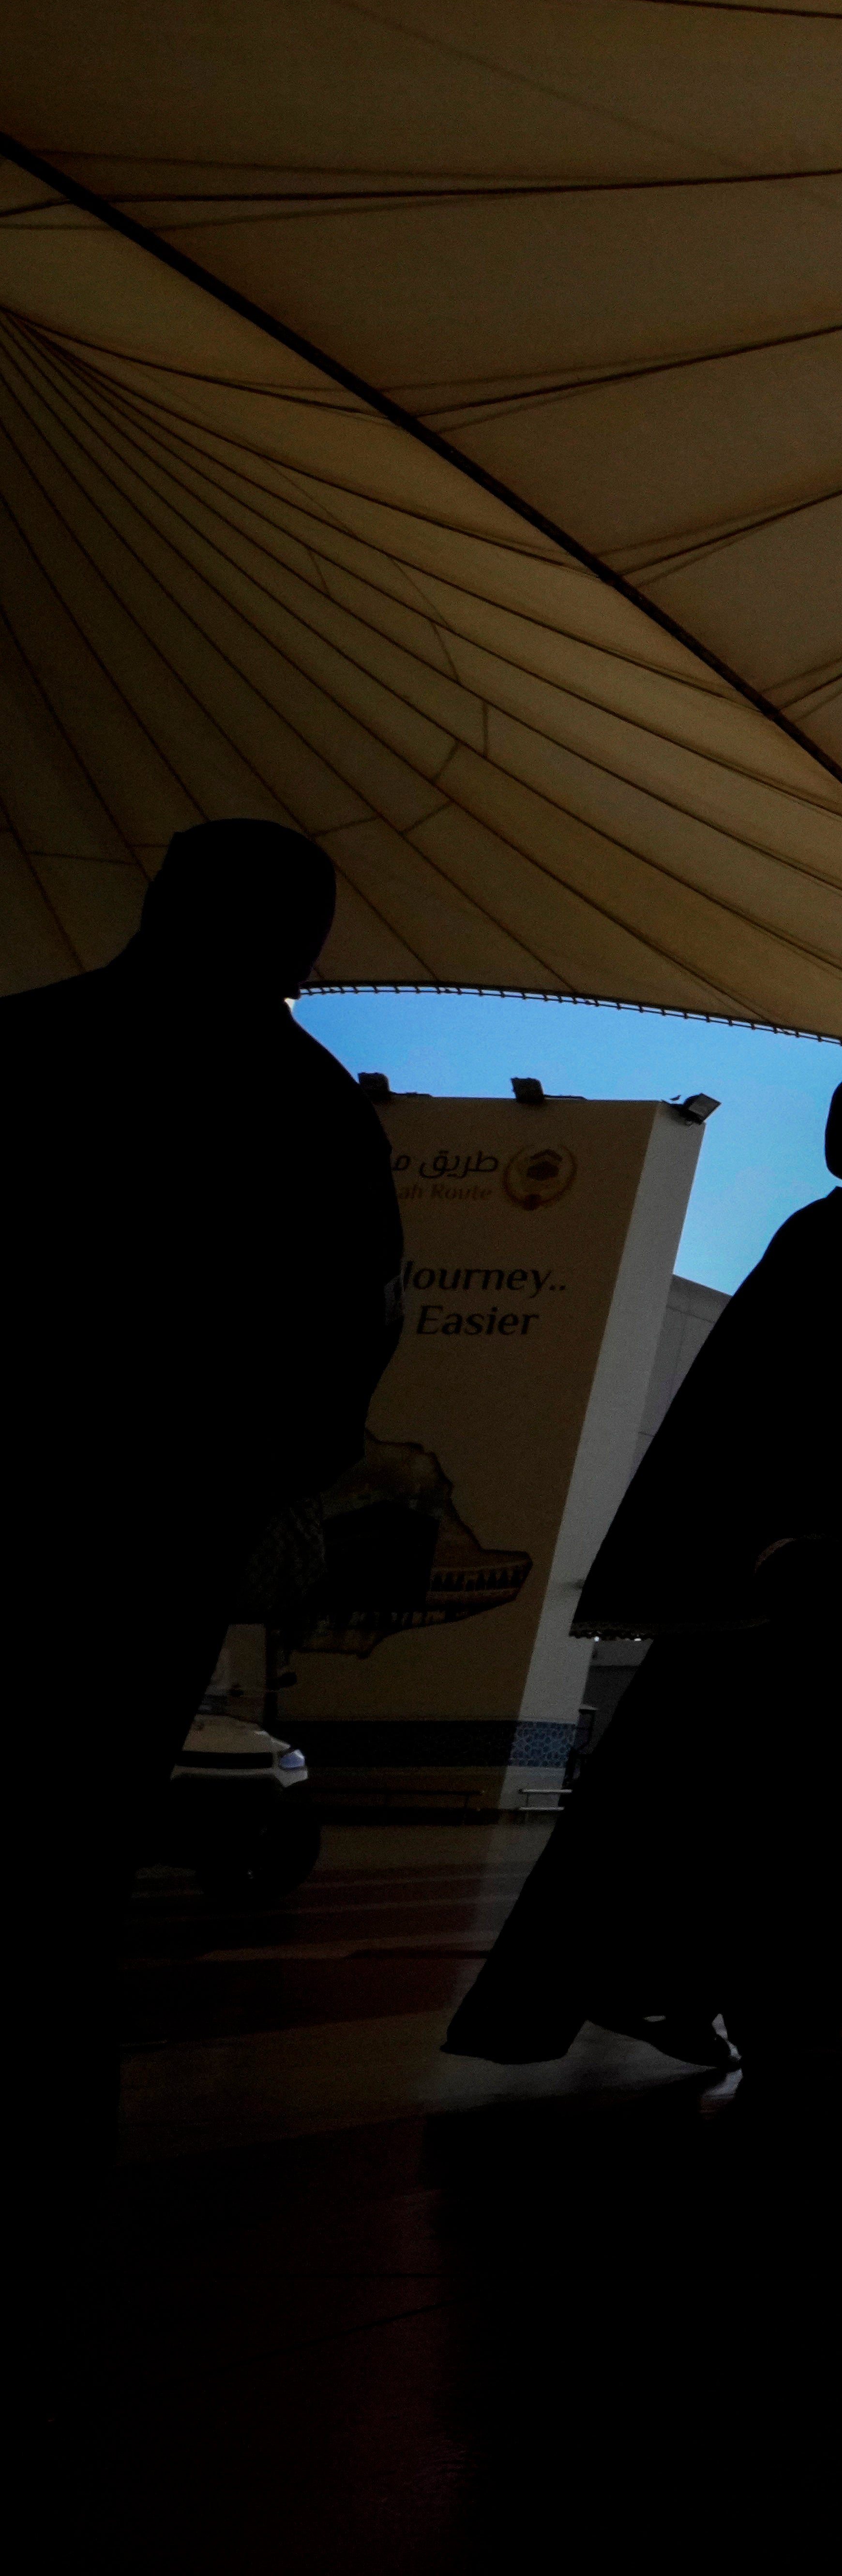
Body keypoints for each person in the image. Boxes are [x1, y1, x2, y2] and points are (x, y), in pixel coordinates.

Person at [444, 1070, 842, 2106]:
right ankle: (783, 2016)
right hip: (817, 1601)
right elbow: (775, 1413)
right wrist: (803, 1547)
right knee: (787, 1815)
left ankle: (676, 1986)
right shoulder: (835, 1244)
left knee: (725, 1807)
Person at [3, 821, 401, 2148]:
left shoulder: (29, 1045)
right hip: (159, 1524)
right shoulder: (306, 1104)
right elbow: (350, 1326)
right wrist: (262, 1480)